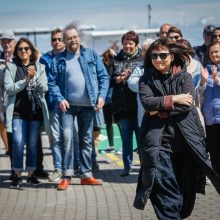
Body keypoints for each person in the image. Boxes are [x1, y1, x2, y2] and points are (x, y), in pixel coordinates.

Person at [133, 38, 220, 219]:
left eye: (163, 55)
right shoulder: (145, 79)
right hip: (159, 146)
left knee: (185, 198)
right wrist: (173, 99)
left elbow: (186, 104)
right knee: (166, 198)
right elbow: (148, 103)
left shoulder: (184, 77)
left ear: (172, 56)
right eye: (154, 55)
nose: (158, 59)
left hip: (186, 145)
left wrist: (160, 110)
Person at [48, 23, 109, 190]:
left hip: (88, 106)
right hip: (67, 108)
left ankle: (86, 175)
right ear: (64, 40)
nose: (72, 40)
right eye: (68, 38)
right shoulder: (58, 59)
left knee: (86, 140)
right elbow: (51, 82)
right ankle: (66, 176)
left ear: (78, 38)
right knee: (67, 139)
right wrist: (60, 98)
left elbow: (104, 77)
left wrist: (101, 96)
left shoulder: (91, 54)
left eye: (75, 37)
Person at [4, 38, 50, 188]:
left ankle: (31, 175)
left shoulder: (40, 67)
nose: (23, 51)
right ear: (16, 52)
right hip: (17, 113)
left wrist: (34, 77)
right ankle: (17, 175)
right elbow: (9, 88)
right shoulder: (11, 67)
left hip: (34, 113)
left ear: (31, 51)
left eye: (26, 48)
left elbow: (44, 88)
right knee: (17, 142)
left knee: (32, 144)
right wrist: (25, 80)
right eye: (20, 49)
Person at [110, 30, 142, 176]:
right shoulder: (116, 59)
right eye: (125, 43)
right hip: (122, 107)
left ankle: (144, 166)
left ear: (136, 44)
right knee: (126, 139)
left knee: (142, 138)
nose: (127, 46)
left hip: (139, 106)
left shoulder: (142, 59)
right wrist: (118, 80)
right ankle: (127, 166)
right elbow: (109, 79)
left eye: (131, 43)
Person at [39, 28, 65, 182]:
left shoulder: (70, 56)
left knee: (71, 137)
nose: (56, 42)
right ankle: (57, 168)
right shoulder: (44, 59)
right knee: (55, 137)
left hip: (70, 104)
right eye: (54, 39)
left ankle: (72, 167)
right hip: (52, 104)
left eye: (59, 39)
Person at [199, 41, 220, 176]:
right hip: (210, 121)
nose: (214, 54)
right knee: (215, 154)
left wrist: (217, 79)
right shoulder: (205, 69)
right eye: (211, 52)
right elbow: (199, 94)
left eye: (217, 51)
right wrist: (204, 82)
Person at [0, 32, 16, 179]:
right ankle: (14, 170)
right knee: (11, 138)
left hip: (20, 104)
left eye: (9, 41)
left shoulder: (21, 56)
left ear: (14, 41)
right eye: (3, 41)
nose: (6, 44)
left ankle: (35, 169)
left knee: (28, 138)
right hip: (4, 105)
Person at [102, 48, 116, 152]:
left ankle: (111, 145)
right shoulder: (114, 64)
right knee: (119, 122)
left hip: (106, 97)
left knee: (108, 123)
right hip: (113, 97)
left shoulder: (103, 65)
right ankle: (112, 145)